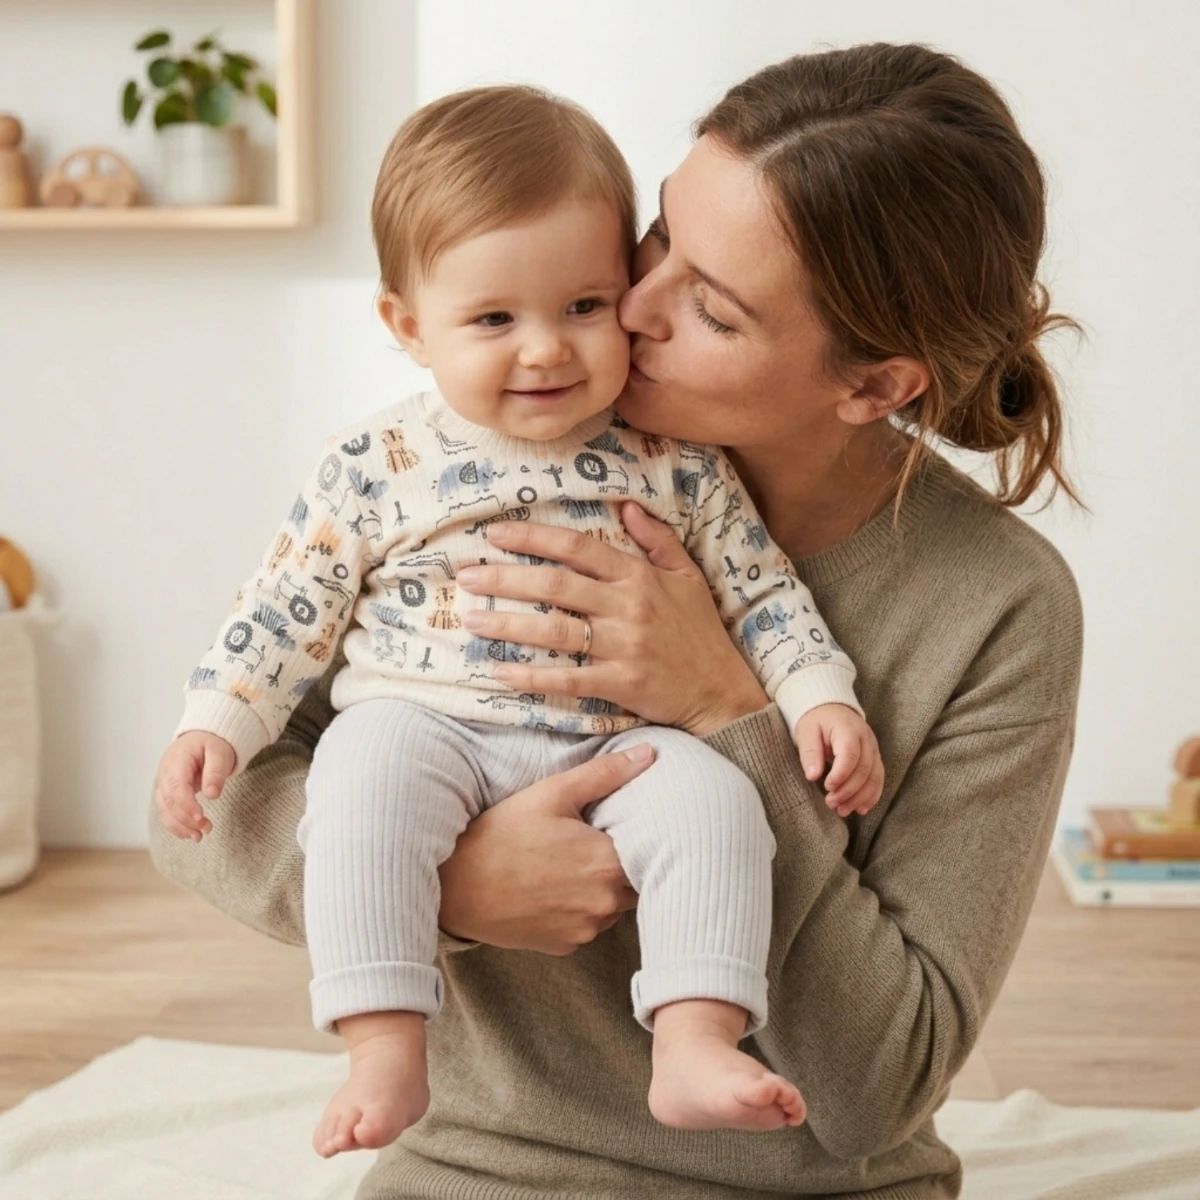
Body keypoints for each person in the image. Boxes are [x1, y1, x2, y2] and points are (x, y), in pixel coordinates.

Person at [150, 41, 1084, 1200]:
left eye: (712, 306)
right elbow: (202, 803)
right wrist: (452, 888)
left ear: (874, 385)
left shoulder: (996, 605)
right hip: (479, 1165)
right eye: (659, 239)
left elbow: (880, 1084)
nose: (626, 307)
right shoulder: (451, 479)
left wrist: (731, 711)